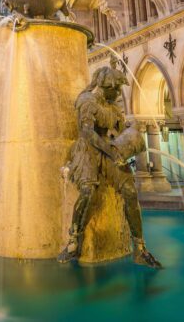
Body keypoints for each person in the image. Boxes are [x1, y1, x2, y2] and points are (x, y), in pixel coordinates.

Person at [58, 66, 162, 268]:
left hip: (109, 149)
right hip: (87, 151)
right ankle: (73, 240)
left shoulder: (113, 106)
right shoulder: (87, 102)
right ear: (106, 86)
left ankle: (140, 248)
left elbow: (119, 130)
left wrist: (128, 144)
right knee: (87, 190)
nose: (117, 94)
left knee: (130, 191)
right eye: (115, 90)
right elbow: (88, 133)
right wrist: (112, 151)